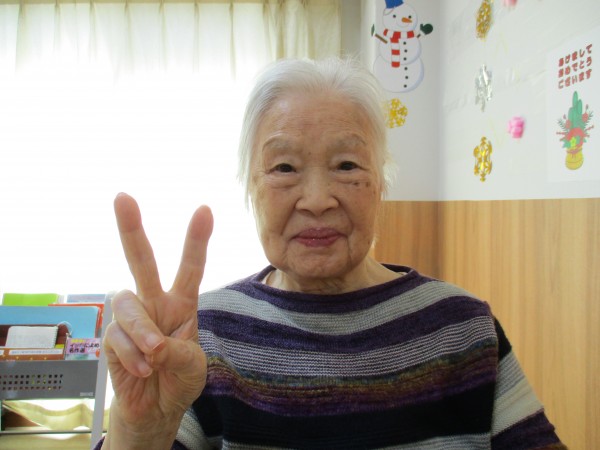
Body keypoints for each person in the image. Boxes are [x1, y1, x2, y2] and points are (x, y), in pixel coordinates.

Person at [98, 58, 565, 449]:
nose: (318, 199)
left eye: (346, 165)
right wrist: (137, 432)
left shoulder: (462, 327)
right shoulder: (198, 338)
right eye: (284, 167)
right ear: (250, 187)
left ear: (380, 183)